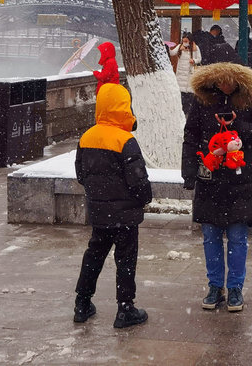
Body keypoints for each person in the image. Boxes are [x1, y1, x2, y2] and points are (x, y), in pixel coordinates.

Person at [181, 51, 252, 313]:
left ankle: (234, 288)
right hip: (210, 177)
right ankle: (214, 286)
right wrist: (189, 170)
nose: (224, 85)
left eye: (229, 80)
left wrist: (237, 126)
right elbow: (191, 134)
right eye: (219, 80)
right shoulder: (203, 99)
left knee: (237, 235)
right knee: (210, 235)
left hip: (243, 176)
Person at [73, 83, 152, 329]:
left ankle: (82, 303)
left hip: (99, 211)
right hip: (125, 215)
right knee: (125, 260)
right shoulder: (124, 140)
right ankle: (125, 308)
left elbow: (81, 173)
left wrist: (98, 195)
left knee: (94, 255)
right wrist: (144, 199)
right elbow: (138, 179)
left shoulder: (87, 137)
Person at [170, 33, 201, 115]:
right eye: (183, 41)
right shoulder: (180, 47)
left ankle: (188, 112)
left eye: (186, 41)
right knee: (181, 94)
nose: (184, 43)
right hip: (180, 74)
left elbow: (199, 58)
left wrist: (194, 60)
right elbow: (172, 53)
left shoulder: (195, 48)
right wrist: (167, 47)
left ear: (190, 41)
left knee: (189, 94)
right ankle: (182, 112)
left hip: (190, 74)